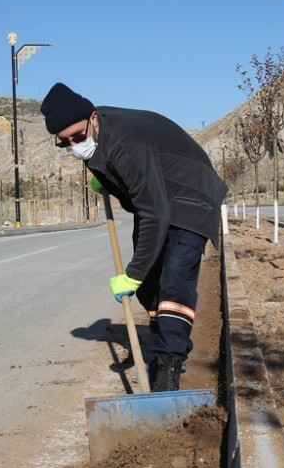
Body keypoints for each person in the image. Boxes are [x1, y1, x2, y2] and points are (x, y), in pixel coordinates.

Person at [41, 82, 227, 392]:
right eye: (66, 142)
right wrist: (108, 180)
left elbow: (154, 212)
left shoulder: (126, 141)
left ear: (93, 118)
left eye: (78, 136)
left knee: (175, 277)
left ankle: (168, 366)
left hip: (192, 193)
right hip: (160, 195)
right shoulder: (97, 131)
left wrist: (133, 273)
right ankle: (167, 337)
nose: (74, 145)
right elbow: (138, 187)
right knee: (149, 285)